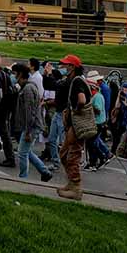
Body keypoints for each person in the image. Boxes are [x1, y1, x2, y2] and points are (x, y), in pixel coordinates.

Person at [13, 63, 53, 182]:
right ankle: (44, 171)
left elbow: (30, 112)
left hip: (31, 126)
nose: (13, 76)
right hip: (31, 126)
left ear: (20, 74)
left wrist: (28, 131)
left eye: (15, 74)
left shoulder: (28, 89)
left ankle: (23, 178)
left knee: (22, 153)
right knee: (26, 151)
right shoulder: (28, 87)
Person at [56, 54, 88, 200]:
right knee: (64, 153)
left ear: (73, 67)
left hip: (77, 124)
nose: (64, 67)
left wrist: (74, 111)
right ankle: (71, 183)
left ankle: (76, 187)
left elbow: (82, 100)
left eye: (66, 65)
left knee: (72, 154)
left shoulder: (76, 81)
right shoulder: (75, 80)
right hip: (75, 124)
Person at [83, 71, 111, 171]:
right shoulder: (95, 95)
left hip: (98, 123)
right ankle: (99, 158)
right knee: (92, 143)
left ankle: (94, 162)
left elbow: (98, 110)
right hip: (95, 122)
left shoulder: (97, 96)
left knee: (91, 143)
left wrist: (88, 107)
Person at [41, 61, 64, 169]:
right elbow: (45, 82)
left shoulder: (60, 85)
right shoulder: (51, 82)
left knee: (61, 139)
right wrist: (46, 74)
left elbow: (54, 86)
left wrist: (50, 73)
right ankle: (53, 158)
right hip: (54, 112)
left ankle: (62, 160)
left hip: (59, 112)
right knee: (50, 137)